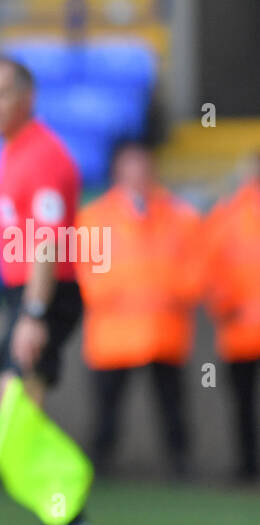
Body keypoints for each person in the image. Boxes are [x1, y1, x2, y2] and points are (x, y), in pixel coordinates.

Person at [0, 55, 100, 525]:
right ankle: (68, 520)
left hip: (44, 293)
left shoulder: (43, 156)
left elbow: (47, 243)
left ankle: (68, 516)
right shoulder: (15, 150)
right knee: (18, 409)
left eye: (0, 93)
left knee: (18, 408)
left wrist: (34, 315)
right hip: (24, 295)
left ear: (27, 97)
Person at [75, 140, 201, 478]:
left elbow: (196, 268)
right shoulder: (93, 217)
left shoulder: (181, 216)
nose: (138, 172)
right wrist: (125, 294)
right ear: (117, 170)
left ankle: (181, 466)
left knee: (172, 406)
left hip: (164, 331)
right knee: (107, 409)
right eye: (131, 164)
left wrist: (170, 293)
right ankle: (99, 467)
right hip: (112, 334)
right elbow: (86, 273)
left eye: (143, 164)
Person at [200, 152, 260, 482]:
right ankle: (246, 465)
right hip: (240, 333)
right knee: (242, 405)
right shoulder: (226, 216)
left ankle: (246, 467)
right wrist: (223, 304)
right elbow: (211, 269)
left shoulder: (226, 215)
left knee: (243, 405)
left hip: (240, 331)